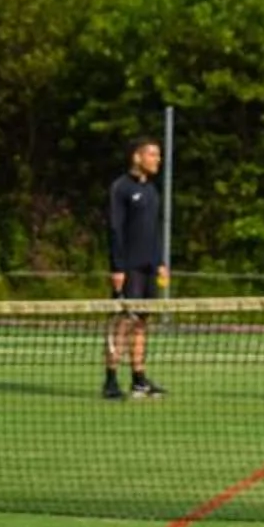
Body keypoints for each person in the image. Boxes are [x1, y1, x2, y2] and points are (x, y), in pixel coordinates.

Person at [104, 137, 168, 400]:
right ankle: (110, 381)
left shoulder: (153, 191)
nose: (157, 160)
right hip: (128, 269)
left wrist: (160, 262)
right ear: (137, 157)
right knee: (123, 324)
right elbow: (115, 229)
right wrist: (118, 268)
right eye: (152, 155)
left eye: (158, 155)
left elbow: (153, 231)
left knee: (141, 323)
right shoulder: (120, 188)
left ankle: (139, 379)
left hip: (149, 267)